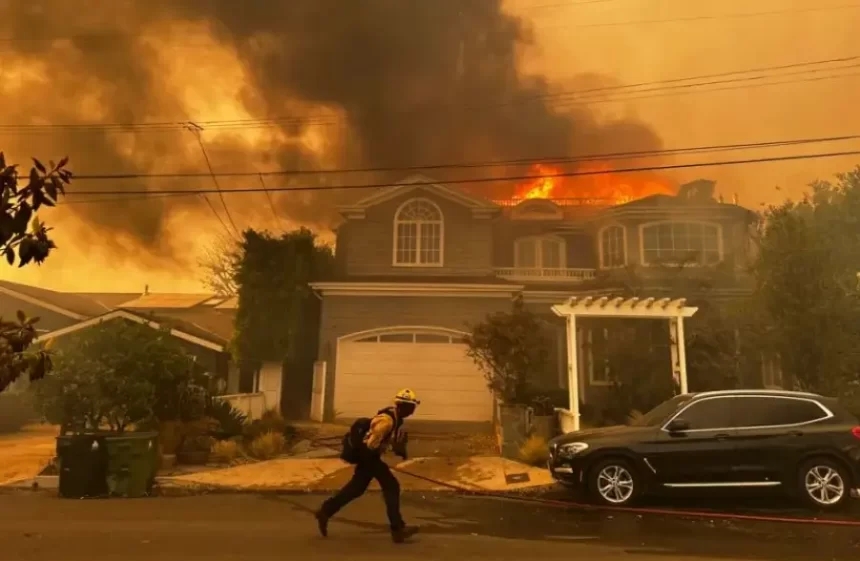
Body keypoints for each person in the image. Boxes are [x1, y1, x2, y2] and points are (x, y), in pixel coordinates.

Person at [315, 389, 421, 543]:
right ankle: (397, 529)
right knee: (391, 486)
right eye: (411, 407)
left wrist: (396, 449)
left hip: (369, 458)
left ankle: (325, 511)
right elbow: (370, 445)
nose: (412, 411)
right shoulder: (387, 421)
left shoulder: (395, 418)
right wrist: (376, 462)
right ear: (403, 406)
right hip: (368, 457)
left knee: (356, 489)